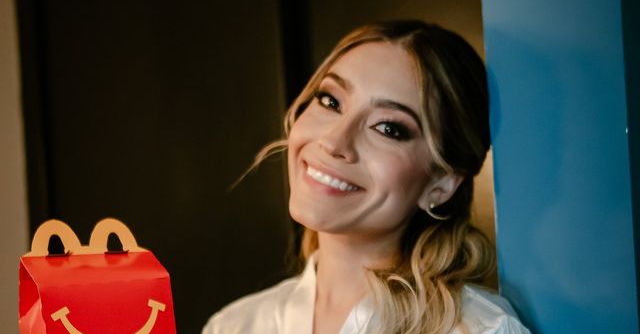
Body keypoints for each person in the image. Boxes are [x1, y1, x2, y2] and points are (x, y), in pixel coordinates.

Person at [202, 20, 530, 334]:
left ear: (441, 184)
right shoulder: (232, 326)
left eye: (388, 128)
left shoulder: (482, 329)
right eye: (330, 101)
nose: (333, 141)